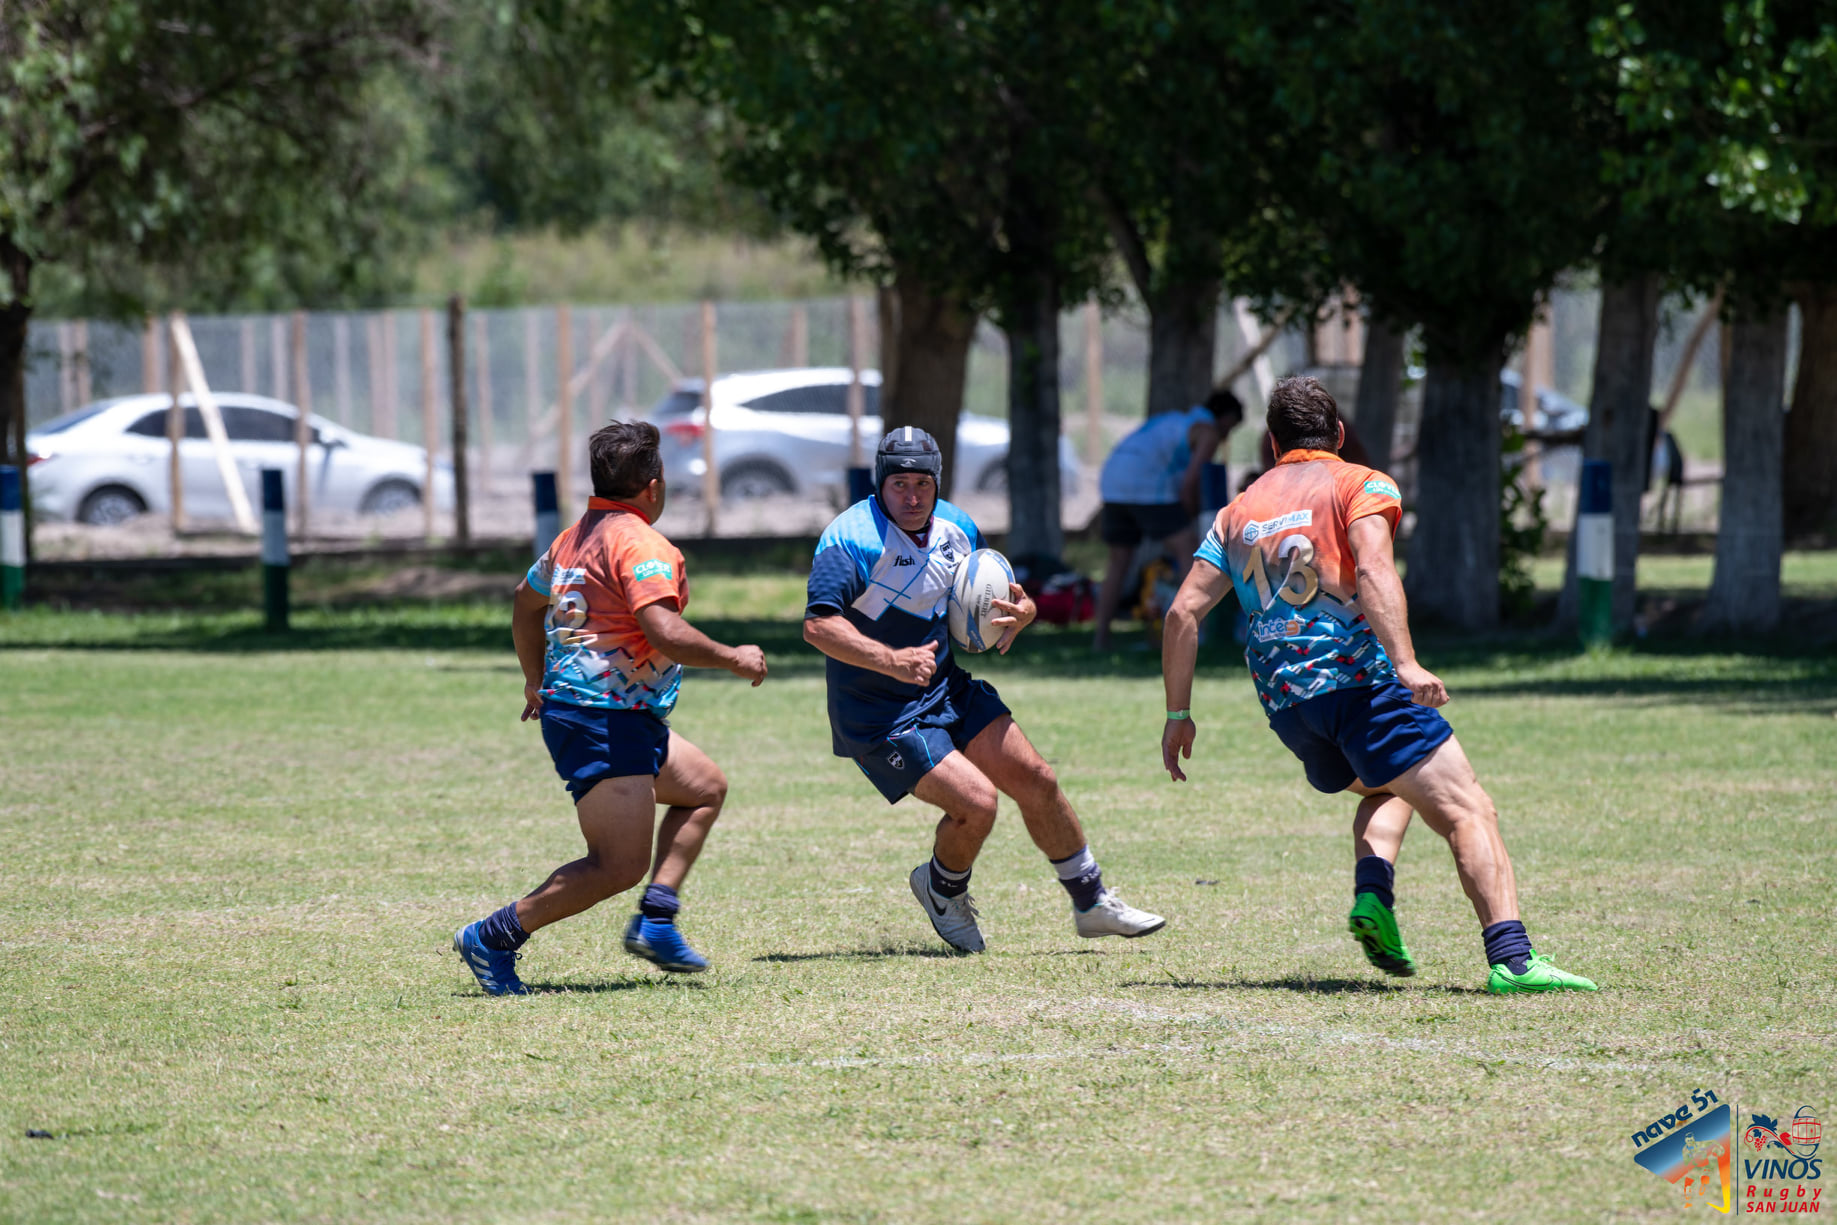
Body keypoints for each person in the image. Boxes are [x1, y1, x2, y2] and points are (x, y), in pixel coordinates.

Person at [1157, 376, 1596, 994]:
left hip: (1290, 705)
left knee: (1388, 786)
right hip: (1361, 685)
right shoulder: (1358, 482)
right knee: (1470, 809)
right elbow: (1372, 566)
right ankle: (1515, 961)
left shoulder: (1237, 513)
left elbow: (1181, 614)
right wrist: (1407, 663)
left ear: (1271, 442)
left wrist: (1179, 712)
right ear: (1337, 434)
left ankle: (1374, 897)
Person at [803, 426, 1166, 952]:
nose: (911, 497)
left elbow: (989, 597)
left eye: (922, 485)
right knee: (978, 803)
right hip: (879, 714)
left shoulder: (958, 527)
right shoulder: (850, 539)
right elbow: (818, 626)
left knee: (1037, 778)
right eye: (899, 484)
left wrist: (1024, 614)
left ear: (937, 484)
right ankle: (942, 889)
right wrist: (890, 659)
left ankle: (1091, 902)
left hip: (946, 688)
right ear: (880, 484)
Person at [454, 421, 768, 995]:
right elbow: (664, 630)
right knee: (616, 865)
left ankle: (657, 919)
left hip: (612, 713)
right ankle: (493, 936)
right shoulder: (641, 543)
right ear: (652, 485)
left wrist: (534, 678)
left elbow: (525, 603)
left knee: (704, 788)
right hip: (602, 717)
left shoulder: (572, 539)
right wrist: (734, 657)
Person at [1093, 388, 1244, 650]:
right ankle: (1197, 629)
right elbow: (1189, 486)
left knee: (1118, 562)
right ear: (1227, 417)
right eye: (1230, 427)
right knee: (1190, 550)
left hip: (1112, 481)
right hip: (1145, 485)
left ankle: (1100, 640)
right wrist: (1196, 517)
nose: (1226, 435)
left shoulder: (1173, 420)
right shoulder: (1207, 432)